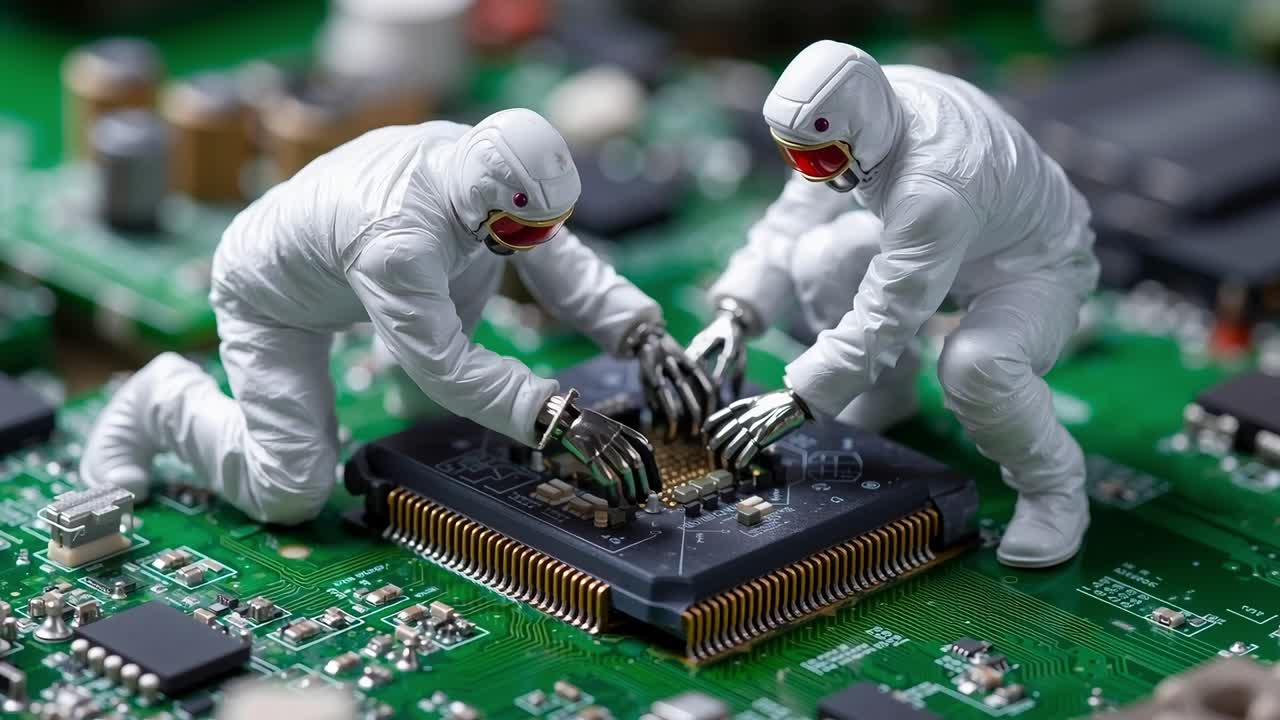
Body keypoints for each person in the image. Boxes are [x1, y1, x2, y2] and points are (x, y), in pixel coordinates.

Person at [81, 108, 713, 524]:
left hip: (382, 264)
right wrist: (558, 415)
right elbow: (447, 366)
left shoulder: (471, 163)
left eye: (547, 225)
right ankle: (159, 401)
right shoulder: (399, 242)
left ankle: (393, 360)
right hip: (272, 300)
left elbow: (555, 255)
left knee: (429, 411)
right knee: (290, 490)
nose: (535, 242)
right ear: (484, 202)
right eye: (523, 230)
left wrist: (640, 331)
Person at [688, 41, 1099, 568]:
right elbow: (793, 217)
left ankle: (1054, 491)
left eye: (821, 159)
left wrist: (800, 397)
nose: (813, 172)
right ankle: (888, 392)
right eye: (797, 156)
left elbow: (885, 315)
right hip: (954, 239)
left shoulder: (931, 184)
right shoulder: (863, 107)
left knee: (976, 364)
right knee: (821, 257)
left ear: (859, 135)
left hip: (1032, 266)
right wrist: (737, 310)